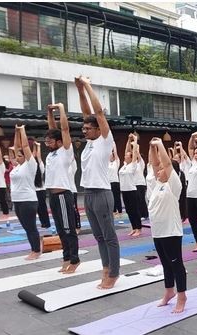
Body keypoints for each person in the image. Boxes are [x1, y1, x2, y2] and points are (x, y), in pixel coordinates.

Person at [75, 75, 121, 289]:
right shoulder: (90, 144)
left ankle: (114, 272)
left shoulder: (104, 141)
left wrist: (87, 85)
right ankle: (105, 268)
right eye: (83, 129)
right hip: (89, 195)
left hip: (102, 193)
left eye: (87, 128)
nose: (84, 131)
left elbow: (98, 113)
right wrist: (79, 90)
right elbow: (87, 114)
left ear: (97, 129)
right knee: (99, 236)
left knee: (109, 236)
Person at [146, 137, 188, 314]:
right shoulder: (156, 185)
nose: (159, 171)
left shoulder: (174, 185)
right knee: (165, 264)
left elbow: (167, 165)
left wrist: (161, 145)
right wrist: (151, 146)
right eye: (158, 169)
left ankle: (181, 296)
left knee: (176, 264)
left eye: (162, 169)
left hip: (171, 232)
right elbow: (154, 164)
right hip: (158, 232)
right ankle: (169, 291)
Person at [44, 103, 79, 273]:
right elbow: (54, 130)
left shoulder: (66, 150)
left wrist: (61, 109)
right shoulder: (52, 153)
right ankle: (66, 257)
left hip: (64, 195)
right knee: (60, 229)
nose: (47, 141)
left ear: (59, 142)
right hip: (52, 196)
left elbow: (63, 130)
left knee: (68, 228)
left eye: (50, 139)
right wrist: (50, 113)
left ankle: (74, 259)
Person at [8, 125, 41, 260]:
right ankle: (34, 247)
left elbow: (25, 147)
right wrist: (16, 131)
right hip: (17, 200)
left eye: (20, 156)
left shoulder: (30, 164)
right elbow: (17, 148)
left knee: (30, 226)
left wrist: (22, 131)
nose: (17, 157)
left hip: (28, 200)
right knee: (26, 227)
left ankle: (36, 250)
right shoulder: (17, 167)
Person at [120, 134, 142, 237]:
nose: (125, 156)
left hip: (132, 190)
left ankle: (139, 228)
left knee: (135, 210)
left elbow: (133, 152)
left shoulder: (133, 165)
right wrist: (128, 140)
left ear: (131, 158)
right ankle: (133, 228)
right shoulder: (124, 165)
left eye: (127, 156)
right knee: (128, 211)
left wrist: (135, 140)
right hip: (124, 191)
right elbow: (127, 150)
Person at [32, 141, 51, 228]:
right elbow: (35, 156)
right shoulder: (33, 167)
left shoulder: (40, 166)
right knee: (39, 209)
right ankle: (43, 223)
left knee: (42, 208)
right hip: (36, 190)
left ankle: (46, 223)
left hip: (40, 190)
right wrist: (35, 147)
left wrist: (38, 146)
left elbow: (38, 157)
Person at [109, 143, 123, 217]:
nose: (110, 155)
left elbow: (116, 154)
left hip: (115, 182)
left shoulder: (116, 163)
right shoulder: (108, 163)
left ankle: (120, 211)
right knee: (111, 197)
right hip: (109, 182)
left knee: (116, 197)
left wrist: (114, 145)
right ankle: (113, 210)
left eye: (112, 155)